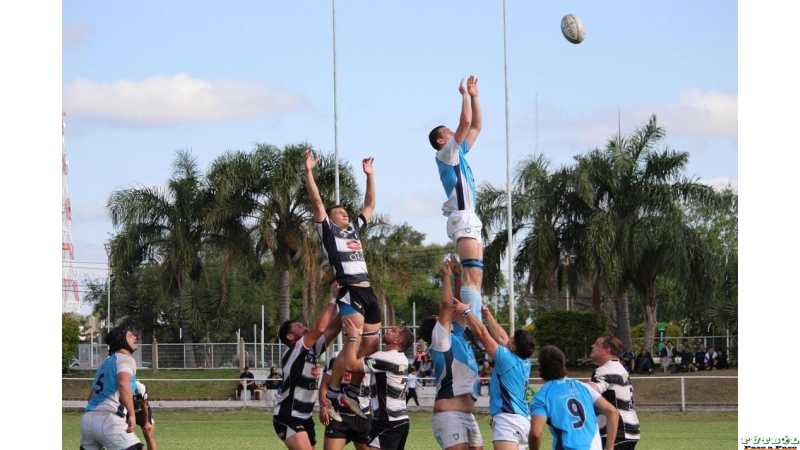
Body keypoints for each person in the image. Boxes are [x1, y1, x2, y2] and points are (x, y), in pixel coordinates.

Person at [304, 148, 381, 417]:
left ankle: (344, 391)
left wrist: (370, 176)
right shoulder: (327, 230)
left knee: (370, 345)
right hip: (350, 291)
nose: (345, 214)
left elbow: (369, 205)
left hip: (368, 290)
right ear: (331, 217)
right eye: (340, 212)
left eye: (346, 211)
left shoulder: (354, 229)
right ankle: (336, 390)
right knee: (352, 352)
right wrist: (309, 171)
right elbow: (316, 202)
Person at [428, 75, 485, 327]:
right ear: (442, 140)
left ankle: (473, 323)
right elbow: (465, 123)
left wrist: (475, 96)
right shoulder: (445, 153)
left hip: (469, 216)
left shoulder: (458, 152)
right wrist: (463, 95)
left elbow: (476, 127)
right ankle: (473, 326)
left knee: (476, 275)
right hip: (462, 216)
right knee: (471, 274)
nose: (453, 133)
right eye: (448, 133)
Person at [453, 299, 535, 450]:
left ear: (514, 346)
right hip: (524, 420)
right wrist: (487, 315)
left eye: (513, 339)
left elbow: (483, 334)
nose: (508, 339)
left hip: (507, 421)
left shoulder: (505, 359)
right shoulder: (525, 361)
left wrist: (466, 312)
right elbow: (503, 338)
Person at [419, 260, 484, 450]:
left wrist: (458, 277)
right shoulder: (440, 340)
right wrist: (446, 275)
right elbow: (447, 305)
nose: (445, 318)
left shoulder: (455, 335)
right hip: (449, 415)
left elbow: (455, 307)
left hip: (466, 414)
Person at [273, 282, 343, 450]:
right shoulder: (294, 350)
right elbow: (320, 328)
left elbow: (333, 330)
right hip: (289, 416)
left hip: (305, 417)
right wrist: (333, 298)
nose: (304, 327)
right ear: (290, 336)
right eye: (299, 326)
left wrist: (349, 303)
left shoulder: (311, 351)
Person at [340, 322, 415, 450]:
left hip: (387, 422)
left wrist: (353, 337)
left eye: (394, 330)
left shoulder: (385, 357)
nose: (389, 329)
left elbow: (351, 366)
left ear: (398, 340)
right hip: (400, 421)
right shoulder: (401, 358)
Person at [529, 345, 620, 450]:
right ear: (563, 364)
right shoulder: (583, 387)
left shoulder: (542, 396)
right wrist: (609, 446)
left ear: (541, 368)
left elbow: (536, 434)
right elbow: (612, 412)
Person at [80, 325, 144, 450]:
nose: (135, 338)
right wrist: (132, 414)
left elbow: (91, 396)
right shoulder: (126, 359)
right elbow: (123, 384)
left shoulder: (105, 362)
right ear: (122, 340)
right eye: (130, 336)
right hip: (109, 419)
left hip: (88, 420)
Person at [586, 336, 641, 449]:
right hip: (630, 430)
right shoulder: (619, 368)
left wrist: (567, 385)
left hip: (616, 432)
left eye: (597, 344)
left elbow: (591, 390)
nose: (592, 346)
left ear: (608, 349)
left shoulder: (605, 370)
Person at [319, 357, 372, 450]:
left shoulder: (370, 357)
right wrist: (324, 405)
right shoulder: (338, 357)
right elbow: (325, 384)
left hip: (363, 417)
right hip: (338, 416)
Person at [134, 381, 158, 450]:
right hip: (127, 412)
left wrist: (147, 422)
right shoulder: (118, 385)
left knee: (149, 434)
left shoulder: (140, 386)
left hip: (141, 411)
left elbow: (144, 405)